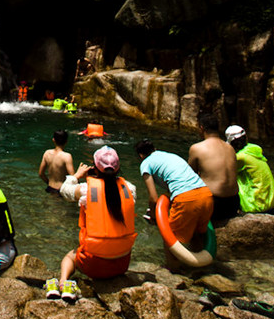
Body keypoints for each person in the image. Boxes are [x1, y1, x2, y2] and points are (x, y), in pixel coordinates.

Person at [47, 146, 137, 301]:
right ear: (118, 168)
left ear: (95, 167)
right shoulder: (130, 188)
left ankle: (63, 283)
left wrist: (76, 175)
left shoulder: (86, 190)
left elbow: (64, 190)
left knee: (69, 257)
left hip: (93, 266)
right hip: (122, 264)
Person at [135, 138, 213, 270]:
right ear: (154, 149)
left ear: (141, 155)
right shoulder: (170, 156)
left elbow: (153, 198)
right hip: (206, 195)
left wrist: (154, 217)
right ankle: (201, 270)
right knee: (197, 235)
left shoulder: (145, 164)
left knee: (169, 237)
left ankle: (174, 272)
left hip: (186, 199)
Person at [188, 113, 239, 222]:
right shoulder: (230, 148)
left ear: (201, 128)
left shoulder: (197, 148)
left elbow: (189, 176)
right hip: (233, 203)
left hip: (214, 204)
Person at [224, 125, 274, 214]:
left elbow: (226, 173)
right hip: (272, 203)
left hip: (257, 206)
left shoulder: (241, 158)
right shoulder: (254, 149)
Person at [38, 130, 75, 194]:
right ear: (66, 141)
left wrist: (48, 182)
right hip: (61, 190)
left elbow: (41, 174)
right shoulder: (67, 156)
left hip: (49, 188)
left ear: (53, 140)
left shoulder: (47, 153)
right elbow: (73, 178)